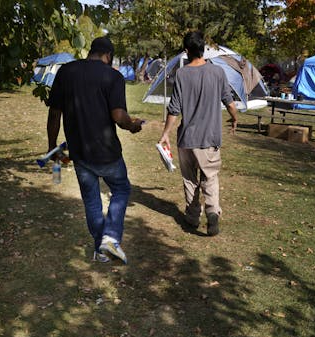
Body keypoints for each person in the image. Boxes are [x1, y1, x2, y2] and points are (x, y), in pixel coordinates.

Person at [46, 36, 143, 264]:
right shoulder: (113, 76)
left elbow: (54, 114)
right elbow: (119, 117)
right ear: (108, 56)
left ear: (92, 51)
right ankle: (110, 238)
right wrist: (133, 125)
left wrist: (52, 146)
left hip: (80, 153)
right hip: (107, 152)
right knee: (121, 189)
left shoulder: (66, 72)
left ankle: (101, 249)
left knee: (91, 200)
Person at [158, 31, 238, 236]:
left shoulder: (182, 74)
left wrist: (166, 133)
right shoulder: (218, 73)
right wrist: (235, 118)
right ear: (204, 49)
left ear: (186, 51)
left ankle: (192, 217)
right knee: (210, 176)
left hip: (187, 138)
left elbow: (174, 109)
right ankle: (212, 212)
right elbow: (229, 101)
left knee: (189, 178)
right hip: (209, 138)